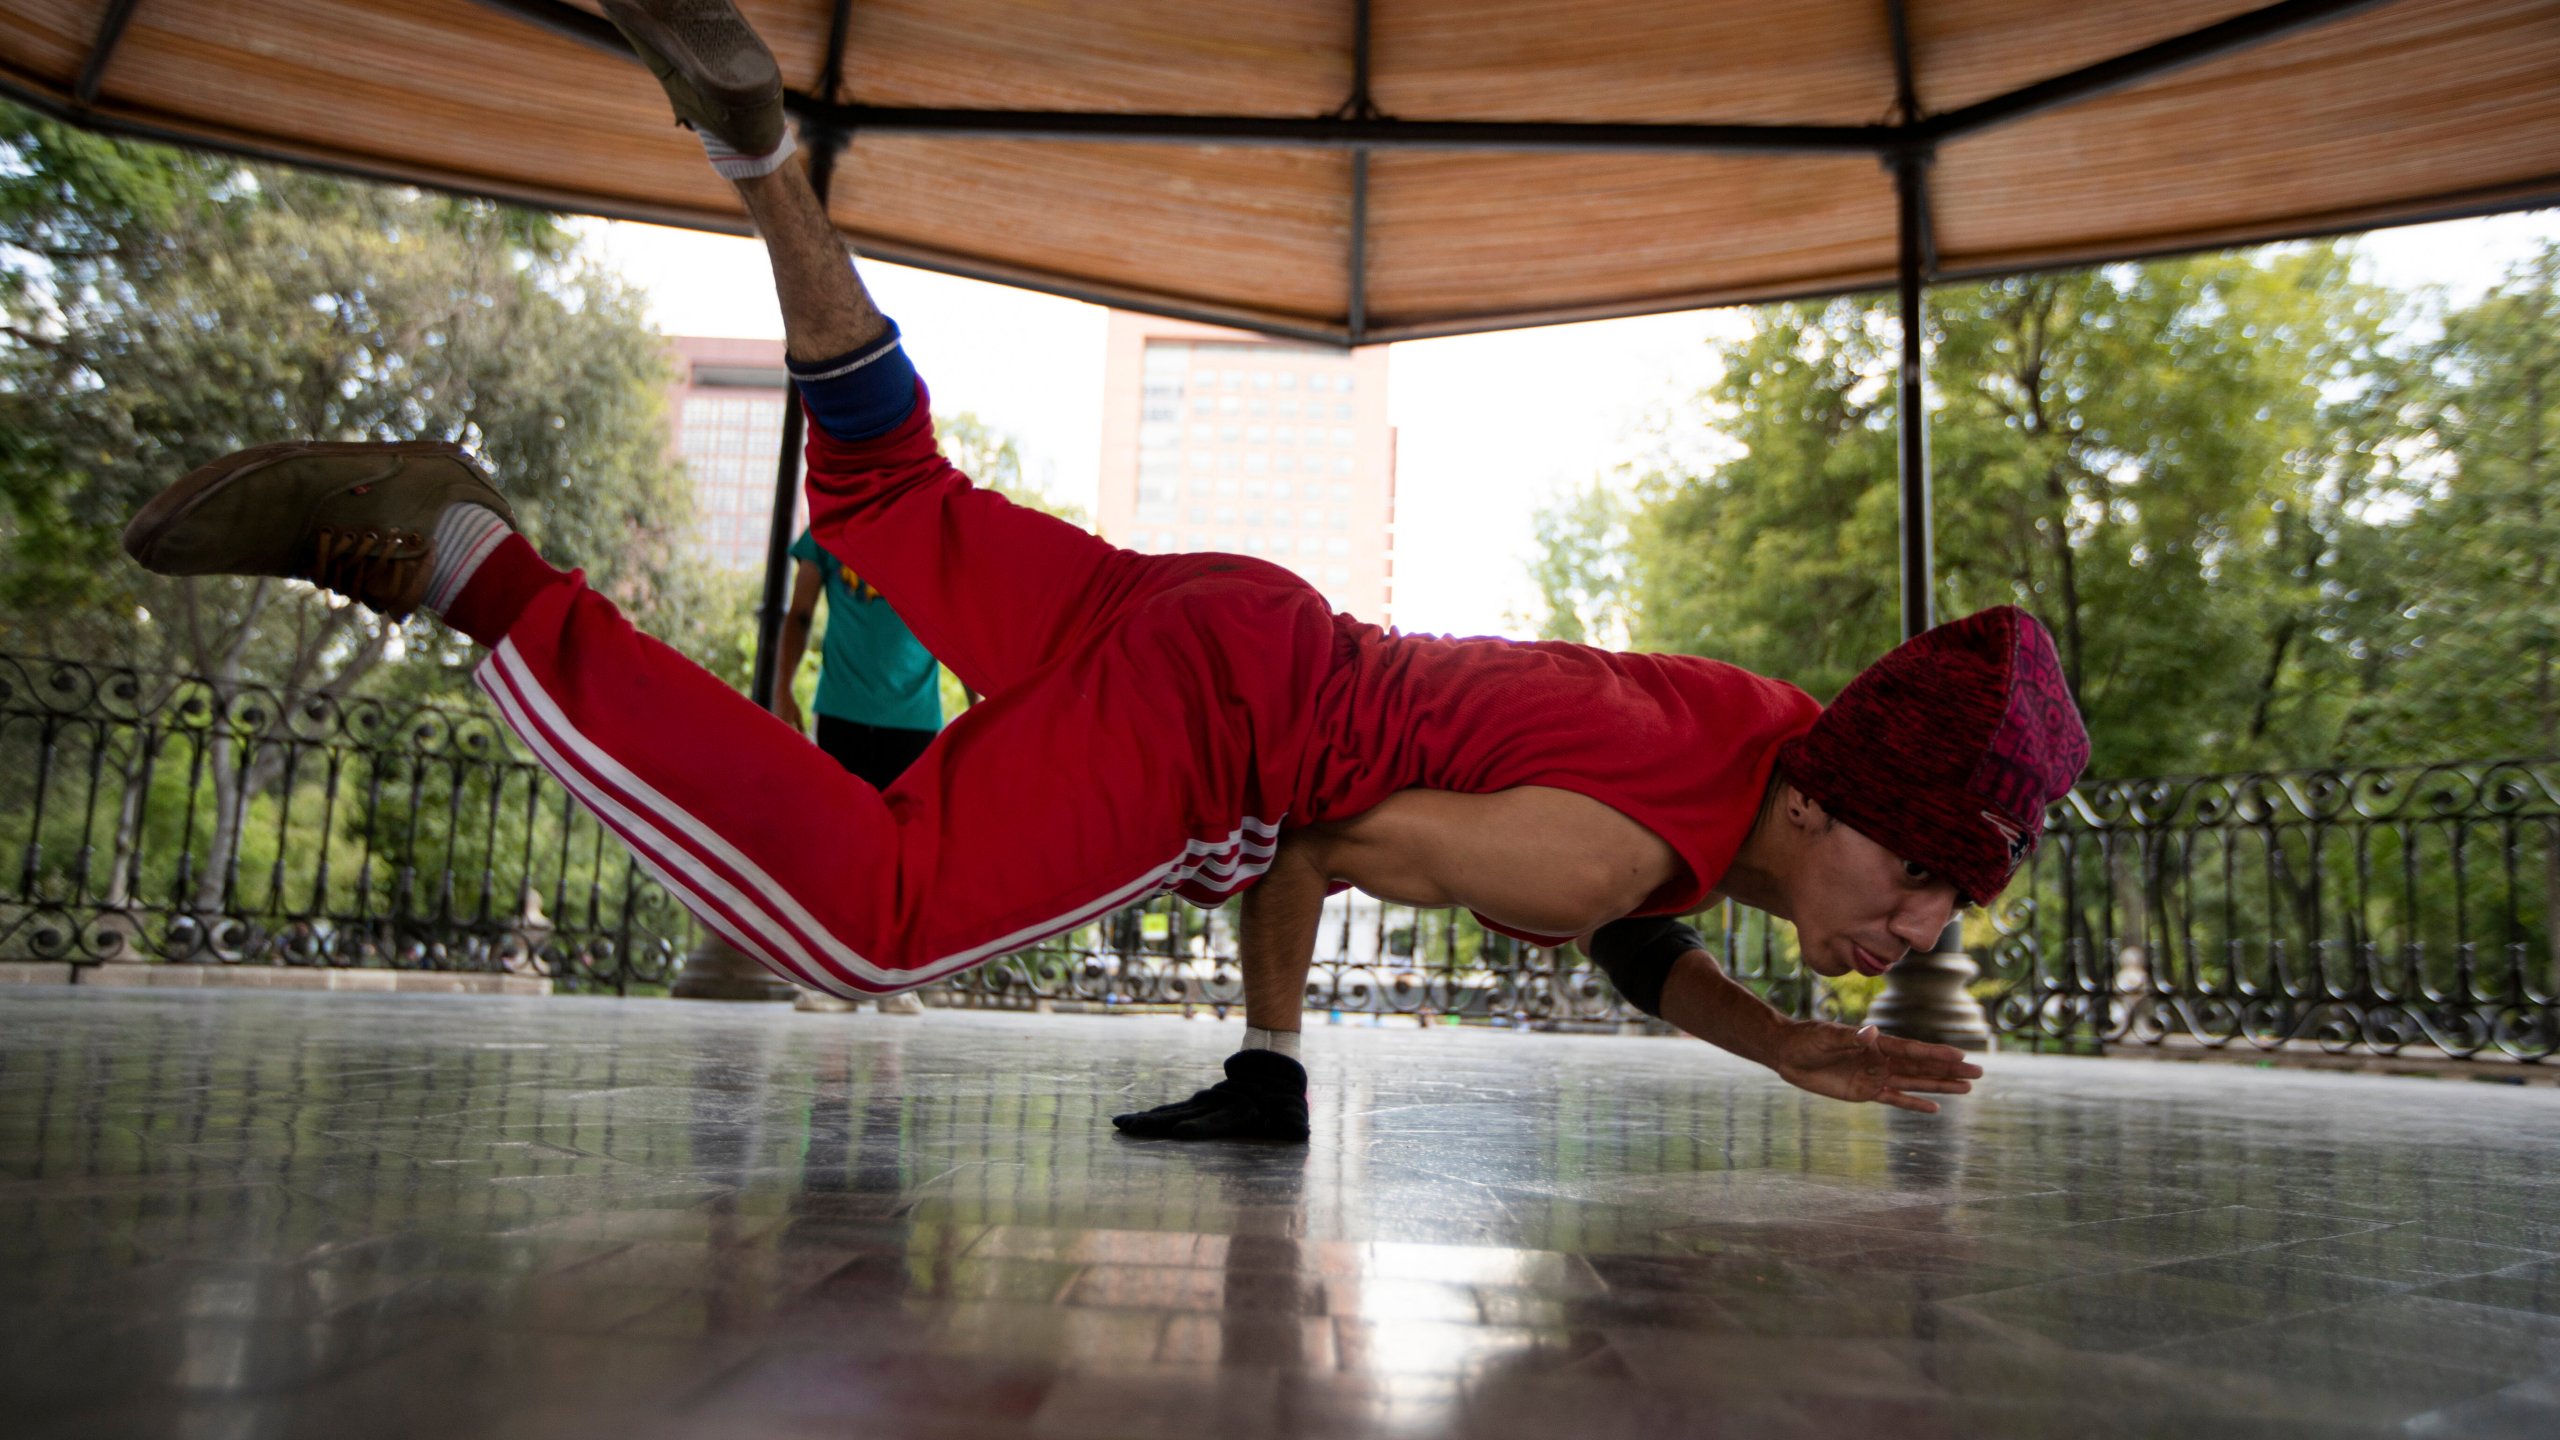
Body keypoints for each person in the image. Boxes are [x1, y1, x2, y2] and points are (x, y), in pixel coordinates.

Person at [118, 0, 2085, 1146]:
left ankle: (760, 162)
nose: (1903, 927)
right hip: (1223, 708)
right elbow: (1325, 848)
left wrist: (1768, 1034)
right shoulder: (1608, 860)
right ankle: (465, 563)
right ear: (1828, 797)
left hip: (1228, 610)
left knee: (885, 504)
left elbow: (1627, 888)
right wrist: (1762, 1035)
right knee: (869, 923)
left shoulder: (1744, 713)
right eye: (1909, 877)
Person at [774, 524, 944, 791]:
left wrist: (976, 711)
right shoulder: (832, 518)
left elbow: (961, 625)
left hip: (911, 718)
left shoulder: (936, 525)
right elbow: (800, 616)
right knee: (845, 823)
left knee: (880, 828)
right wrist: (782, 691)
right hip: (846, 712)